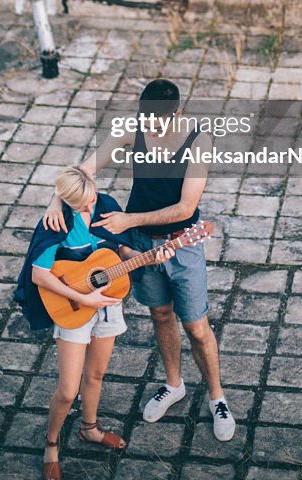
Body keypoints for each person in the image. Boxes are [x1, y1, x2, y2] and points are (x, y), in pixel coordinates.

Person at [43, 79, 236, 442]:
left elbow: (186, 208)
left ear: (177, 114)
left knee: (196, 327)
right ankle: (174, 385)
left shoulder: (199, 142)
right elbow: (84, 170)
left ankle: (217, 398)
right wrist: (57, 199)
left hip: (183, 243)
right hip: (139, 246)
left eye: (157, 122)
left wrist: (128, 220)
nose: (149, 126)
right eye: (144, 119)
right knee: (160, 315)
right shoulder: (135, 129)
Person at [15, 165, 173, 480]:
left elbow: (122, 248)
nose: (90, 208)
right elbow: (39, 274)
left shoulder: (105, 205)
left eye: (91, 199)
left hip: (108, 304)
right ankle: (51, 444)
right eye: (82, 205)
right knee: (67, 389)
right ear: (66, 201)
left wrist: (145, 256)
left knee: (96, 375)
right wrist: (85, 299)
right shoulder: (56, 221)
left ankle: (90, 429)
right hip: (73, 306)